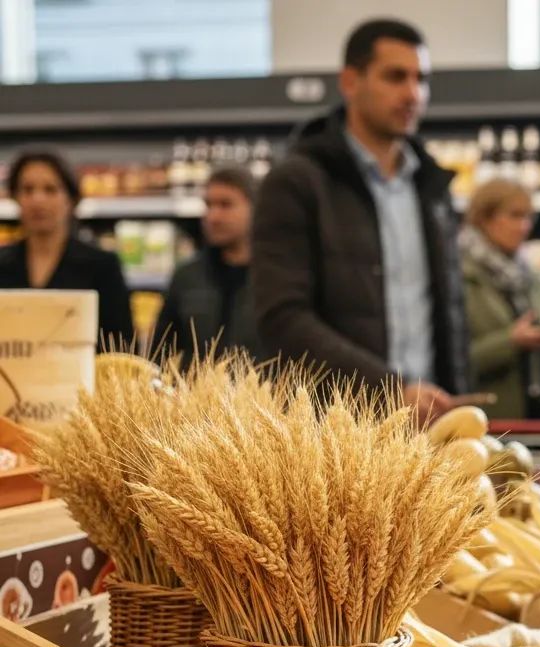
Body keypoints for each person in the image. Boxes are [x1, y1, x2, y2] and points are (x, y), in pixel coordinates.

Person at [252, 18, 467, 421]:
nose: (413, 94)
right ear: (351, 82)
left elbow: (449, 315)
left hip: (430, 423)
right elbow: (282, 319)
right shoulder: (297, 182)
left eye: (421, 79)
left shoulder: (432, 188)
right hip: (336, 431)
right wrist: (388, 390)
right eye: (395, 77)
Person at [0, 150, 133, 347]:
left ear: (71, 199)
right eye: (27, 190)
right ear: (15, 197)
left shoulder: (102, 266)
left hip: (83, 378)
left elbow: (122, 346)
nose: (38, 200)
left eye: (50, 189)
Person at [460, 179, 540, 419]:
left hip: (536, 414)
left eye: (528, 217)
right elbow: (453, 360)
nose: (524, 226)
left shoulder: (528, 275)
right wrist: (510, 341)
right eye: (515, 216)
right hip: (485, 420)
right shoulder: (460, 275)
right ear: (483, 218)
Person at [154, 165, 258, 365]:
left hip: (259, 394)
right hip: (192, 395)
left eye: (226, 205)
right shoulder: (185, 277)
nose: (213, 217)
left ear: (255, 208)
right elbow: (160, 355)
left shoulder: (277, 279)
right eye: (208, 205)